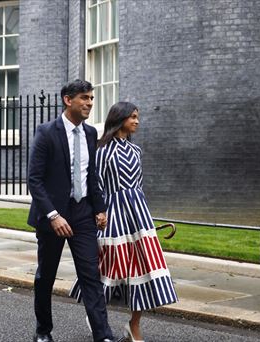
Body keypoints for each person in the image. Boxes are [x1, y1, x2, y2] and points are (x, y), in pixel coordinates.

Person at [70, 102, 178, 342]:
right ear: (120, 119)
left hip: (138, 216)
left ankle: (134, 325)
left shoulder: (136, 151)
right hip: (111, 216)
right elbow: (94, 186)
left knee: (145, 267)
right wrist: (98, 212)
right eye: (133, 117)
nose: (137, 121)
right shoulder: (101, 151)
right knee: (109, 268)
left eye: (138, 117)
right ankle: (97, 315)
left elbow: (138, 187)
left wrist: (144, 215)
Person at [27, 79, 118, 342]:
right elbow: (35, 180)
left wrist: (99, 208)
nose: (90, 102)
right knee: (46, 277)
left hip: (82, 213)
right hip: (53, 216)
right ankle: (43, 331)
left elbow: (91, 176)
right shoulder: (46, 132)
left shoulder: (90, 133)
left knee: (91, 276)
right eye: (85, 98)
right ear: (69, 100)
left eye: (91, 98)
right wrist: (53, 215)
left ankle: (103, 336)